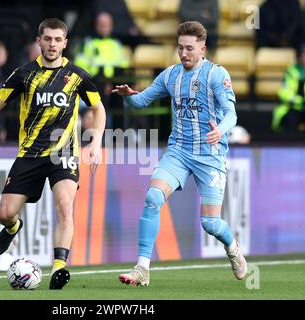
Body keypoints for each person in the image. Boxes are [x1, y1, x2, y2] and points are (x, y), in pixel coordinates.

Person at [0, 18, 106, 290]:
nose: (52, 44)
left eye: (57, 39)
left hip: (63, 155)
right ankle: (13, 228)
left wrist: (95, 142)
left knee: (64, 206)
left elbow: (98, 109)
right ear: (39, 41)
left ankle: (59, 266)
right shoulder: (24, 74)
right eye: (47, 39)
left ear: (65, 43)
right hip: (29, 155)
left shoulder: (77, 76)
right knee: (5, 213)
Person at [112, 21, 247, 286]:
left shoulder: (216, 75)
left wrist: (220, 130)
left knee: (210, 223)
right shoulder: (170, 75)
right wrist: (128, 95)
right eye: (180, 48)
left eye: (189, 48)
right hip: (179, 151)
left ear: (203, 49)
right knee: (152, 197)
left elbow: (231, 113)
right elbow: (141, 101)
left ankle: (233, 249)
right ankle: (142, 269)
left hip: (210, 155)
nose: (184, 54)